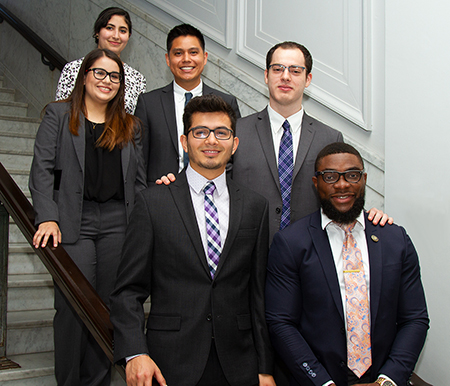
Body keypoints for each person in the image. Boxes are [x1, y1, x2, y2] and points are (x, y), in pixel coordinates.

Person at [110, 94, 275, 386]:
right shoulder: (152, 203)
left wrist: (264, 367)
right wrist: (135, 352)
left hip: (239, 364)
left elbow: (257, 294)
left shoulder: (255, 206)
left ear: (234, 144)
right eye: (201, 132)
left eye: (222, 133)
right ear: (185, 142)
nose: (211, 140)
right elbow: (127, 291)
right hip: (169, 362)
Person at [265, 142, 429, 386]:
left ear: (363, 179)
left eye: (352, 175)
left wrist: (388, 380)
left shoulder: (395, 239)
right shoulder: (291, 243)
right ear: (316, 182)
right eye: (330, 176)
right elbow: (281, 322)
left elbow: (415, 318)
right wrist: (321, 382)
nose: (342, 184)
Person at [29, 48, 147, 386]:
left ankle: (97, 381)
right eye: (99, 73)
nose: (106, 81)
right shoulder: (58, 114)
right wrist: (47, 217)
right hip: (71, 220)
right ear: (84, 76)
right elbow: (42, 171)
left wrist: (141, 231)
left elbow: (137, 185)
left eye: (114, 76)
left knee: (107, 308)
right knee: (73, 305)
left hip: (117, 224)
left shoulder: (130, 125)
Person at [134, 23, 241, 183]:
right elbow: (138, 159)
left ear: (204, 58)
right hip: (162, 194)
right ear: (168, 59)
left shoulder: (226, 102)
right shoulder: (148, 103)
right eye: (178, 53)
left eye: (193, 52)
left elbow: (234, 156)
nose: (186, 59)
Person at [55, 7, 146, 114]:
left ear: (128, 36)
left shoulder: (137, 79)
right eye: (109, 28)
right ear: (97, 32)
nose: (116, 36)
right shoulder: (73, 69)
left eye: (122, 31)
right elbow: (60, 113)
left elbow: (136, 122)